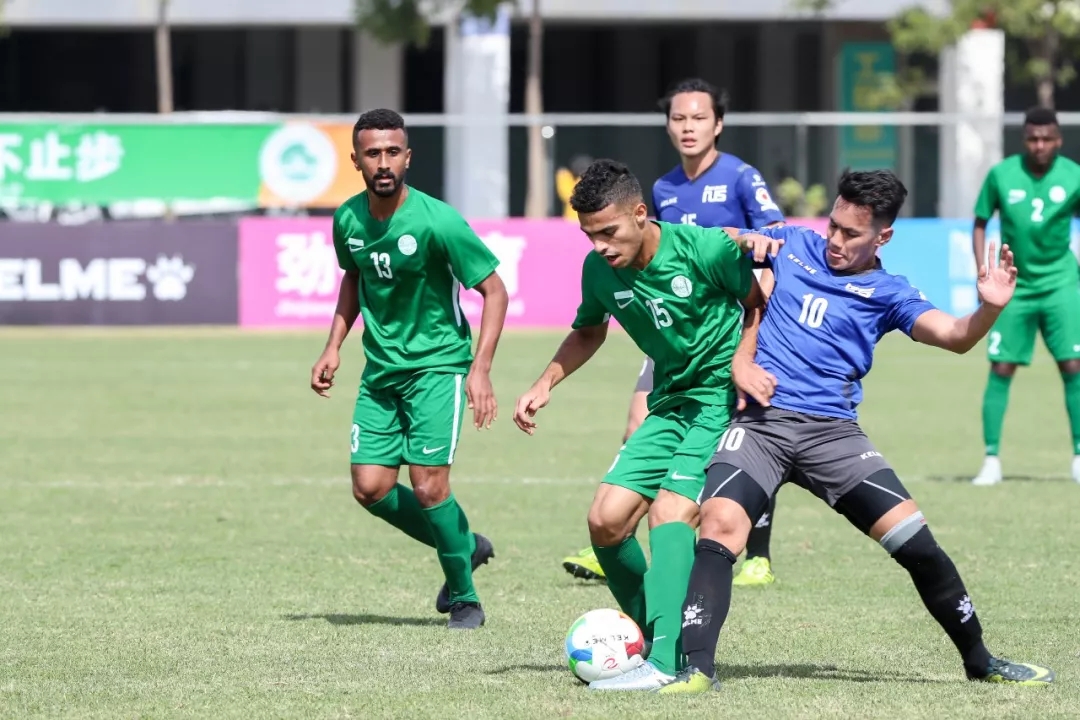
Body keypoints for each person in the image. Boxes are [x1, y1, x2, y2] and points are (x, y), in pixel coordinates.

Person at [656, 169, 1054, 694]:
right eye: (833, 226)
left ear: (882, 236)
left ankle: (981, 661)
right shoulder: (792, 244)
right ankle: (698, 668)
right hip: (762, 424)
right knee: (720, 524)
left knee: (916, 544)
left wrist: (989, 309)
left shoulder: (889, 292)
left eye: (851, 233)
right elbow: (716, 241)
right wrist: (742, 242)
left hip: (833, 436)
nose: (836, 241)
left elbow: (956, 336)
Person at [514, 159, 775, 690]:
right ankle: (656, 633)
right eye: (590, 236)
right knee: (606, 521)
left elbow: (758, 305)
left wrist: (742, 361)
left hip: (721, 401)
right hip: (670, 403)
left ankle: (667, 661)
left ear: (640, 214)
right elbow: (588, 331)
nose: (600, 246)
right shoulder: (599, 271)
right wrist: (545, 382)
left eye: (609, 232)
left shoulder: (705, 249)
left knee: (670, 511)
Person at [561, 77, 787, 587]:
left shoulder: (741, 177)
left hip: (731, 326)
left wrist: (741, 245)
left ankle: (756, 553)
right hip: (671, 328)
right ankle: (617, 532)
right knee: (635, 426)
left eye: (698, 118)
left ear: (718, 124)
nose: (688, 127)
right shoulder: (661, 188)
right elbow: (649, 248)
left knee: (744, 443)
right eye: (678, 118)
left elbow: (773, 238)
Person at [310, 109, 509, 631]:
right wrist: (333, 346)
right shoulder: (347, 219)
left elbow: (494, 291)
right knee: (370, 487)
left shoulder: (438, 220)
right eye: (372, 153)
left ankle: (464, 599)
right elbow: (354, 278)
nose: (383, 162)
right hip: (380, 372)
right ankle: (465, 544)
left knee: (429, 487)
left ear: (408, 157)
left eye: (393, 152)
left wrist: (480, 369)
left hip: (437, 367)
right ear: (356, 160)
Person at [971, 106, 1080, 486]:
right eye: (1033, 138)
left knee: (1073, 365)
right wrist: (983, 270)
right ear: (1024, 140)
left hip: (1061, 283)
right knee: (1001, 366)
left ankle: (1079, 456)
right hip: (1013, 286)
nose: (1040, 145)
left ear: (1058, 140)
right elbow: (980, 222)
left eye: (1047, 138)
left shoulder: (1074, 175)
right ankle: (991, 460)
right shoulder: (1002, 174)